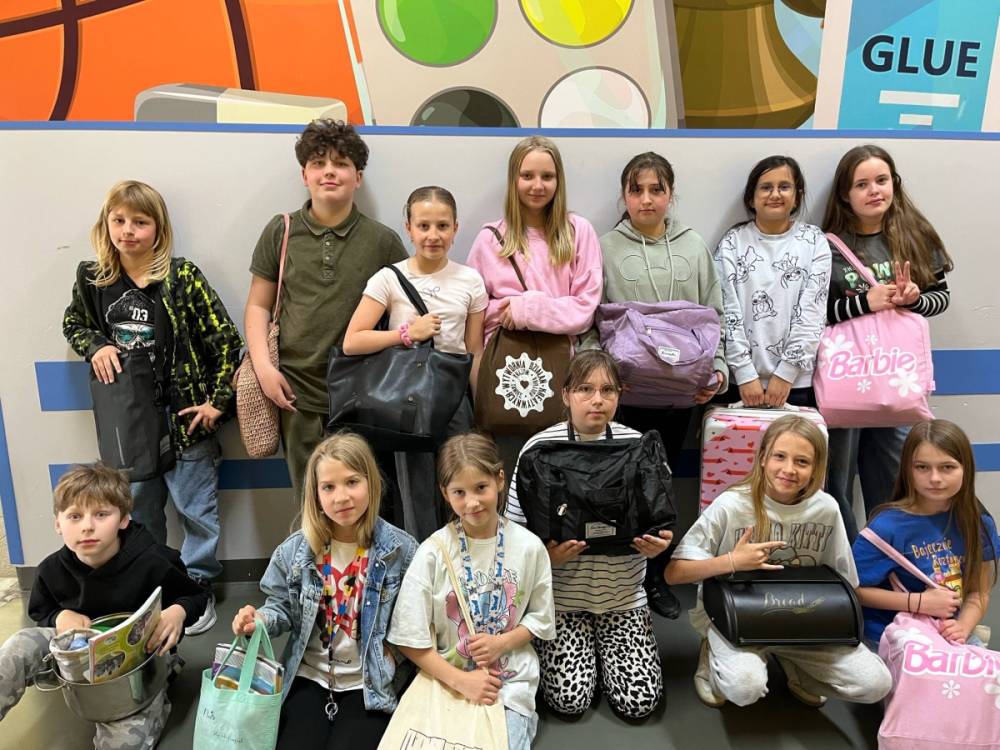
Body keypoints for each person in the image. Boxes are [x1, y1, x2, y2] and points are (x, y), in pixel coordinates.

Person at [62, 179, 241, 635]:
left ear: (158, 228)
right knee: (138, 514)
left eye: (140, 222)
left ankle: (196, 591)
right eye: (119, 221)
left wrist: (216, 403)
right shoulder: (94, 279)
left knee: (197, 512)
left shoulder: (182, 277)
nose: (128, 231)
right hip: (130, 424)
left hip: (187, 423)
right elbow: (73, 323)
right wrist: (96, 345)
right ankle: (153, 589)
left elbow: (225, 339)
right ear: (106, 225)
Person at [667, 415, 891, 708]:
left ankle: (797, 667)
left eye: (802, 461)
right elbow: (674, 573)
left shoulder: (826, 508)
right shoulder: (732, 504)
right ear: (762, 458)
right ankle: (713, 655)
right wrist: (732, 561)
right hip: (738, 620)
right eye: (779, 456)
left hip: (804, 621)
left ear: (816, 469)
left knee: (876, 684)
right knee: (744, 689)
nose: (789, 469)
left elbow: (845, 581)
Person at [589, 151, 727, 618]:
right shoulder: (604, 247)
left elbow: (716, 314)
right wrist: (602, 380)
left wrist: (718, 372)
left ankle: (655, 577)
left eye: (656, 189)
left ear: (671, 194)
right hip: (625, 396)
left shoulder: (694, 246)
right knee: (619, 486)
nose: (646, 199)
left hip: (680, 395)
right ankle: (615, 580)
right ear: (624, 196)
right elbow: (591, 320)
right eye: (636, 190)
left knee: (661, 489)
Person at [244, 119, 408, 502]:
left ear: (358, 177)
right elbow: (257, 306)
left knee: (362, 502)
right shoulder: (281, 231)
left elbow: (405, 315)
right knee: (309, 504)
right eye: (318, 163)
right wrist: (264, 370)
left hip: (362, 395)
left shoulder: (383, 241)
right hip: (294, 393)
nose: (329, 171)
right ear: (305, 175)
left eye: (341, 163)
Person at [506, 350, 671, 719]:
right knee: (569, 700)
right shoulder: (538, 450)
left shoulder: (640, 447)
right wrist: (547, 558)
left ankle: (610, 645)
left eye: (607, 390)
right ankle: (581, 648)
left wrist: (659, 546)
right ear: (566, 395)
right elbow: (512, 536)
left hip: (622, 597)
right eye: (585, 389)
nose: (597, 399)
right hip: (562, 600)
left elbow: (661, 525)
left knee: (639, 703)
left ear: (619, 396)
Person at [0, 463, 207, 749]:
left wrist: (177, 612)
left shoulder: (154, 560)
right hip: (75, 658)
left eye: (101, 514)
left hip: (136, 665)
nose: (87, 526)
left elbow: (195, 596)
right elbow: (40, 611)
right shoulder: (50, 569)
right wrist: (59, 616)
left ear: (123, 519)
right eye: (74, 516)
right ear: (58, 524)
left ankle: (159, 692)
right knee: (19, 645)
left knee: (124, 741)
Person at [233, 433, 417, 750]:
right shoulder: (296, 551)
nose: (341, 497)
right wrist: (259, 620)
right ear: (315, 494)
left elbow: (416, 621)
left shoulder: (401, 550)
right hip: (309, 676)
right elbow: (281, 607)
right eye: (328, 487)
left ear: (371, 483)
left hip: (368, 684)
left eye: (352, 482)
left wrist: (392, 655)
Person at [388, 433, 555, 750]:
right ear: (445, 493)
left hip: (508, 686)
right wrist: (462, 681)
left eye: (481, 487)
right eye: (459, 492)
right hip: (446, 683)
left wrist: (501, 643)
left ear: (500, 479)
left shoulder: (529, 548)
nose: (472, 502)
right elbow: (408, 638)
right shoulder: (433, 553)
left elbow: (540, 619)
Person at [823, 145, 954, 539]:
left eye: (881, 180)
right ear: (845, 193)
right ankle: (848, 559)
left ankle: (889, 553)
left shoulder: (916, 236)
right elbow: (816, 314)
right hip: (845, 380)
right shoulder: (825, 246)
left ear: (894, 183)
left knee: (894, 477)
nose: (874, 191)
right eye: (861, 184)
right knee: (835, 481)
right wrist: (866, 302)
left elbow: (940, 299)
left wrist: (913, 300)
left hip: (897, 382)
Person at [344, 186, 486, 540]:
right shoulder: (388, 278)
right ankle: (421, 561)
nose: (433, 235)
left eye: (442, 226)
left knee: (464, 480)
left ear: (455, 228)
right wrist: (407, 333)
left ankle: (465, 558)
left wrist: (481, 410)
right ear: (408, 228)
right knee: (416, 490)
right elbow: (353, 341)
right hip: (408, 397)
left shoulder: (471, 280)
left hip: (454, 397)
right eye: (423, 226)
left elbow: (474, 350)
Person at [466, 135, 602, 470]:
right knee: (504, 472)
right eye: (527, 175)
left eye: (547, 176)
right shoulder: (489, 239)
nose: (537, 185)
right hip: (503, 374)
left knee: (559, 474)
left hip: (562, 371)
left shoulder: (578, 231)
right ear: (513, 179)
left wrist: (525, 309)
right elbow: (471, 314)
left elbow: (584, 309)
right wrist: (502, 311)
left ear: (559, 180)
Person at [852, 419, 998, 647]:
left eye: (947, 467)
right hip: (889, 636)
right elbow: (853, 590)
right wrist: (918, 602)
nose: (935, 478)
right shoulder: (886, 526)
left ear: (966, 469)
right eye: (922, 467)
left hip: (945, 634)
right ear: (907, 470)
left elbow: (979, 592)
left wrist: (963, 627)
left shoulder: (978, 523)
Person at [713, 155, 831, 408]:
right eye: (766, 187)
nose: (775, 194)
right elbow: (726, 311)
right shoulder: (732, 242)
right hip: (739, 383)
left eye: (784, 187)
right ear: (751, 198)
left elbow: (813, 312)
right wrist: (744, 373)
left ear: (797, 196)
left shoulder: (815, 241)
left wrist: (786, 373)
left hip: (796, 384)